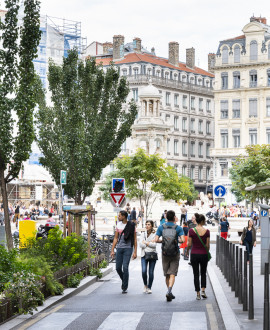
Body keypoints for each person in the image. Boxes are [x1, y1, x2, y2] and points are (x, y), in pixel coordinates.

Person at [155, 210, 184, 302]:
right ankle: (169, 291)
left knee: (167, 274)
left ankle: (168, 291)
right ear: (174, 217)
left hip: (165, 253)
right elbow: (182, 240)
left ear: (166, 217)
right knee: (172, 273)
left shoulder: (161, 227)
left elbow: (156, 240)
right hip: (175, 253)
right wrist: (176, 241)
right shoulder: (178, 228)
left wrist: (163, 241)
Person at [110, 210, 137, 293]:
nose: (118, 217)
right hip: (120, 248)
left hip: (128, 248)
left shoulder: (131, 225)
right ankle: (124, 280)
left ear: (124, 216)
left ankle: (124, 287)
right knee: (118, 268)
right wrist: (112, 250)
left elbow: (135, 239)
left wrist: (135, 251)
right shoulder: (118, 225)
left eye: (119, 216)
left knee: (125, 267)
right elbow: (115, 238)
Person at [186, 214, 210, 300]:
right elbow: (207, 245)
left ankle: (198, 293)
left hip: (194, 254)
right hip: (203, 254)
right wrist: (207, 252)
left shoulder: (192, 231)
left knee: (195, 274)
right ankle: (203, 290)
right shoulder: (207, 231)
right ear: (203, 221)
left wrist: (187, 251)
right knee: (203, 273)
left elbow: (189, 244)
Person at [140, 220, 157, 294]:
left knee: (151, 272)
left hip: (152, 254)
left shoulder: (155, 234)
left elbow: (154, 245)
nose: (147, 225)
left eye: (149, 224)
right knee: (144, 271)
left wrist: (146, 243)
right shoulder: (142, 234)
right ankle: (145, 285)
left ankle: (149, 287)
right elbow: (141, 245)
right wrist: (149, 243)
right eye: (146, 224)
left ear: (152, 225)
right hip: (144, 254)